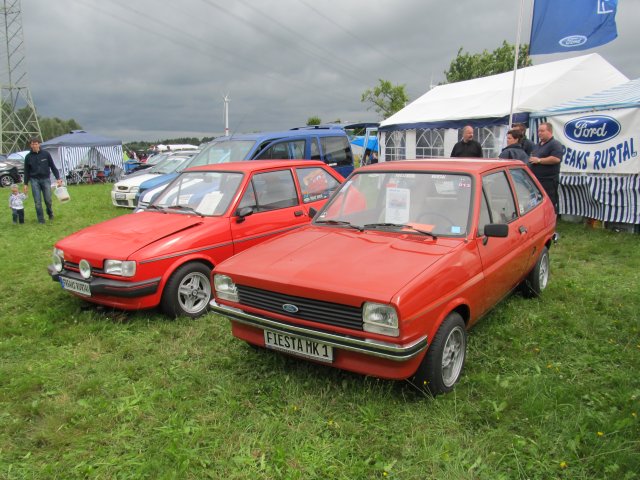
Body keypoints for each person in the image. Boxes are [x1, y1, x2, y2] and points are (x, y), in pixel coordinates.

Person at [23, 137, 62, 224]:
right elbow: (26, 171)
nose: (34, 146)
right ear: (30, 145)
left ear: (39, 144)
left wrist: (58, 178)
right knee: (37, 201)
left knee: (48, 200)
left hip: (45, 179)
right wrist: (25, 184)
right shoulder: (28, 157)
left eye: (36, 144)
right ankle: (41, 220)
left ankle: (50, 213)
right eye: (32, 144)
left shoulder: (46, 154)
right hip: (34, 180)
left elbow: (53, 166)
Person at [529, 122, 563, 214]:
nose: (539, 133)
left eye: (542, 131)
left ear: (550, 131)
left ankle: (551, 223)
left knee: (549, 204)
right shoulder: (538, 145)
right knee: (537, 204)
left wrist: (539, 160)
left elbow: (556, 159)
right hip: (536, 181)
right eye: (539, 131)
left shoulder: (555, 144)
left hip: (548, 181)